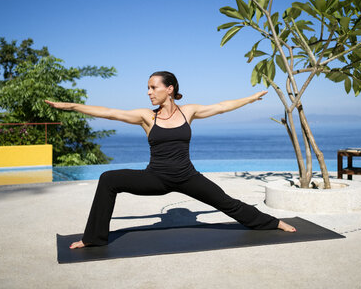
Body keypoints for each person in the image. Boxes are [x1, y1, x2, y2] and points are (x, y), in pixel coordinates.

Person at [45, 71, 296, 249]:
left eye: (153, 87)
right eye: (148, 88)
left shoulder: (189, 112)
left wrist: (250, 98)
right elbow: (111, 113)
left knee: (228, 203)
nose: (149, 92)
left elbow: (222, 106)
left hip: (188, 177)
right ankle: (94, 237)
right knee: (108, 179)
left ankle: (273, 223)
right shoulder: (147, 117)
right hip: (155, 177)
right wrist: (72, 106)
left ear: (169, 89)